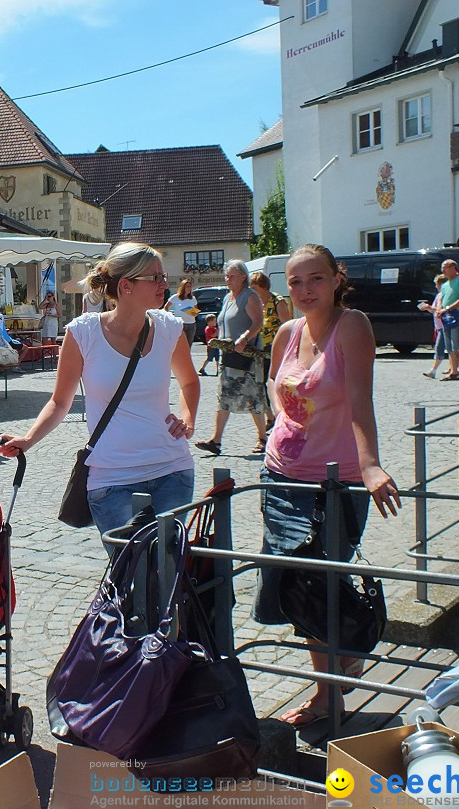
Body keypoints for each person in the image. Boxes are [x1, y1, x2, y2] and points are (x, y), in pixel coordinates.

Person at [256, 243, 400, 729]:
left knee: (324, 586)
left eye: (315, 279)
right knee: (299, 591)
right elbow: (279, 394)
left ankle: (339, 673)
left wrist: (373, 465)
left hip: (334, 485)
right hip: (280, 477)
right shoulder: (288, 333)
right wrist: (282, 435)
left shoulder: (351, 326)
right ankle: (328, 694)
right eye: (295, 282)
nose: (304, 291)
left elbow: (361, 400)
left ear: (337, 278)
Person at [0, 242, 199, 536]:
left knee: (168, 571)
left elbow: (190, 381)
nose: (165, 283)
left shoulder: (169, 329)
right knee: (128, 570)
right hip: (112, 478)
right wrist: (28, 439)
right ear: (126, 286)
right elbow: (60, 402)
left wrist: (188, 418)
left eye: (163, 276)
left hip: (172, 470)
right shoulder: (83, 333)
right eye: (156, 277)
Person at [194, 259, 267, 456]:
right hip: (229, 355)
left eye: (231, 276)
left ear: (243, 276)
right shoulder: (228, 298)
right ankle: (216, 441)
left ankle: (263, 438)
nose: (227, 279)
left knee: (253, 397)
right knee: (224, 397)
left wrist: (243, 338)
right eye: (226, 276)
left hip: (247, 356)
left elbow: (258, 322)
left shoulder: (249, 296)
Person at [251, 271, 292, 431]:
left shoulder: (277, 301)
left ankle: (280, 415)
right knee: (260, 384)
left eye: (254, 287)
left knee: (274, 382)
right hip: (260, 349)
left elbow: (287, 325)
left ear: (263, 286)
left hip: (276, 349)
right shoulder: (257, 303)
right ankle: (271, 416)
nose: (253, 291)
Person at [436, 259, 459, 380]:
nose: (443, 270)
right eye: (442, 268)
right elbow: (441, 298)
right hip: (446, 318)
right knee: (449, 346)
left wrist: (447, 309)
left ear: (453, 268)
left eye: (445, 267)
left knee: (458, 343)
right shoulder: (446, 284)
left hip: (458, 317)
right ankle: (454, 372)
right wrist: (439, 308)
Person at [419, 274, 446, 379]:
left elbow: (441, 310)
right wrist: (428, 308)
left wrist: (431, 308)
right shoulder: (439, 295)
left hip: (443, 325)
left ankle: (433, 370)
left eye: (437, 284)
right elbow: (434, 310)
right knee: (451, 348)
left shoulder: (443, 295)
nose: (436, 286)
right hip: (440, 326)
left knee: (440, 348)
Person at [163, 278, 199, 345]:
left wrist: (194, 313)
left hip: (191, 324)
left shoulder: (193, 298)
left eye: (190, 287)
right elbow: (166, 307)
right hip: (180, 324)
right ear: (183, 287)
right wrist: (170, 316)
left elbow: (196, 311)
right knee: (181, 344)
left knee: (189, 344)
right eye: (187, 287)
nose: (189, 288)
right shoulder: (175, 297)